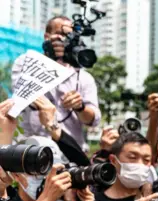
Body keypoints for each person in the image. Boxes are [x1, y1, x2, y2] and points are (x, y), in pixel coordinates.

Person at [11, 15, 101, 147]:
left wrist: (80, 107)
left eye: (69, 36)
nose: (64, 39)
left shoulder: (84, 77)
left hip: (70, 152)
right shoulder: (25, 62)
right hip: (30, 148)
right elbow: (23, 95)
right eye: (59, 33)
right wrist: (49, 61)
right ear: (47, 36)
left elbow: (93, 120)